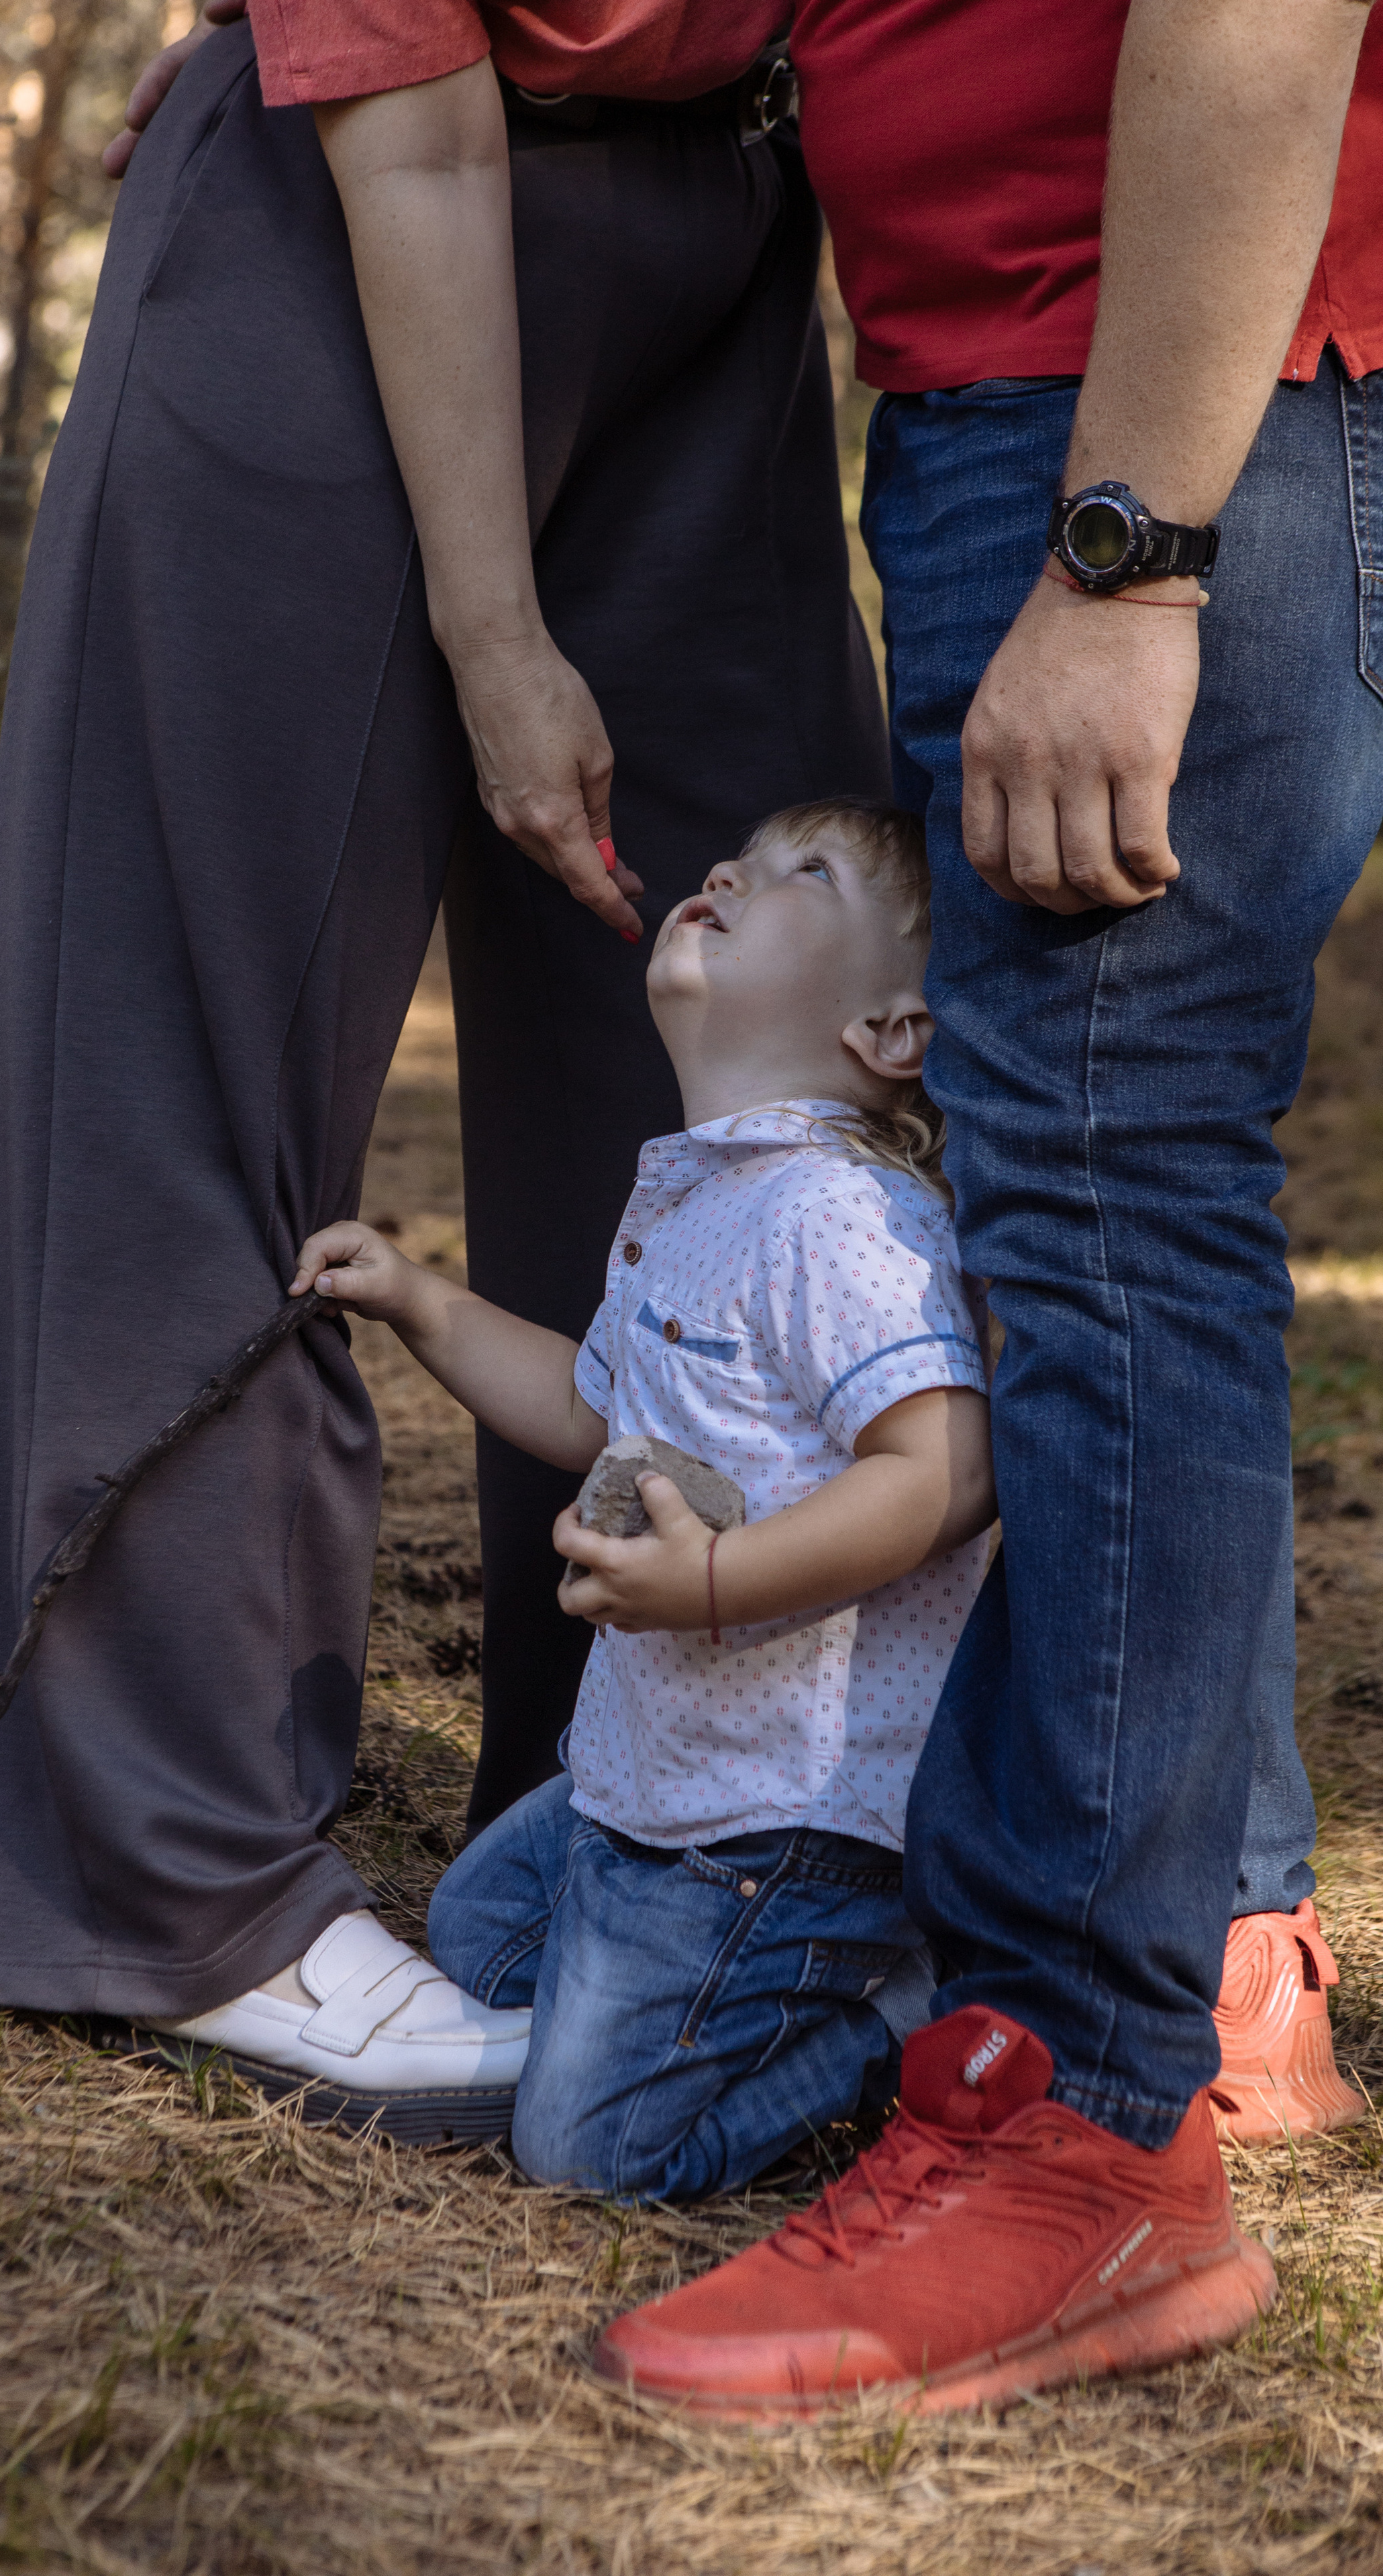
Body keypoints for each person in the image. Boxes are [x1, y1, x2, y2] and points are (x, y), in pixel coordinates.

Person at [0, 1, 888, 2131]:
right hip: (373, 198)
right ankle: (172, 1875)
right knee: (196, 1040)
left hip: (735, 214)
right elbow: (421, 113)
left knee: (755, 1069)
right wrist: (492, 626)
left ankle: (672, 1825)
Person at [595, 0, 1383, 2412]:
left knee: (1107, 1197)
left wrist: (1131, 547)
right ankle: (1219, 1950)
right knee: (1121, 1189)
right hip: (1058, 377)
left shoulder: (1131, 491)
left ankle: (1075, 2117)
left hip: (1136, 403)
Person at [261, 798, 992, 2200]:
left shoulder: (840, 1217)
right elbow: (595, 1410)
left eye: (803, 873)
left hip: (782, 1811)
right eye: (741, 858)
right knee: (479, 1931)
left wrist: (712, 1584)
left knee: (589, 2146)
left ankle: (896, 2021)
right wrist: (421, 1302)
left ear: (891, 1033)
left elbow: (944, 1467)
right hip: (659, 1773)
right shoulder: (704, 1195)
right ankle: (748, 1998)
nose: (728, 872)